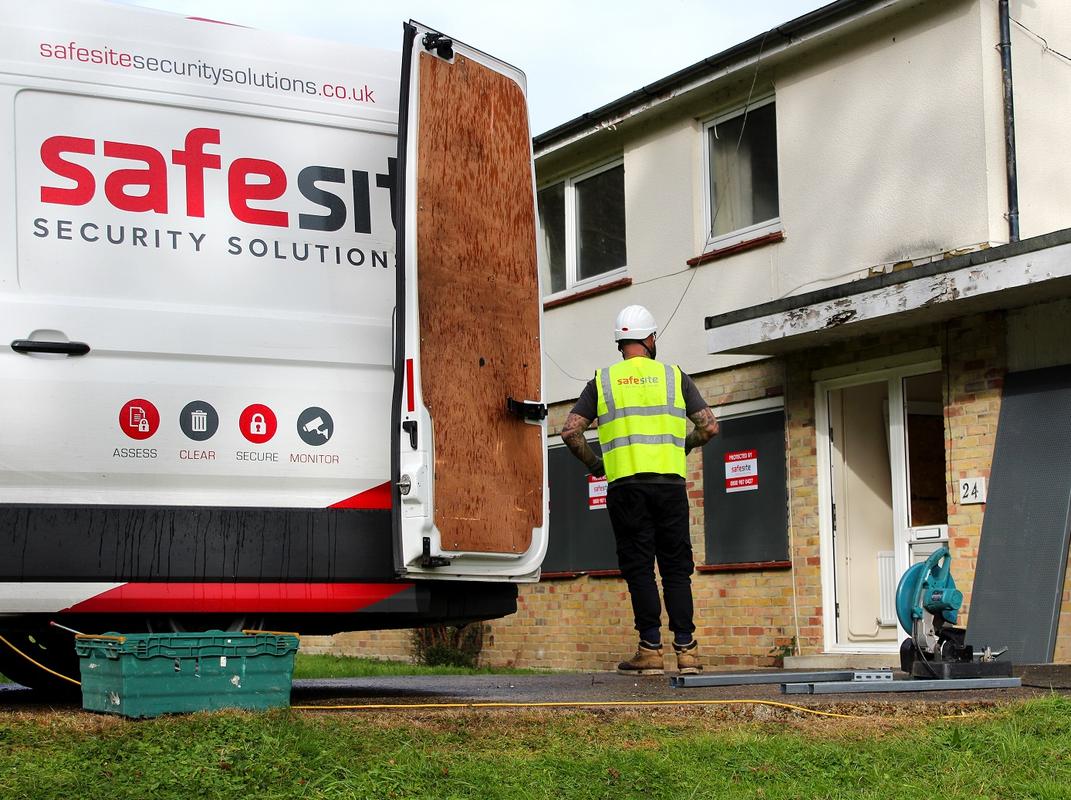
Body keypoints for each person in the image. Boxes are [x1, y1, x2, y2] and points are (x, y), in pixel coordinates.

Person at [560, 305, 719, 675]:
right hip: (669, 486)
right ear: (650, 339)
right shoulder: (673, 376)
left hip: (626, 489)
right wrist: (684, 444)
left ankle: (650, 651)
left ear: (620, 343)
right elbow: (709, 426)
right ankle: (687, 651)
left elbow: (570, 431)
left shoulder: (602, 380)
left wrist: (597, 465)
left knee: (640, 569)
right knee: (677, 569)